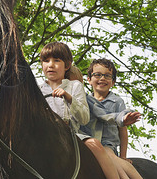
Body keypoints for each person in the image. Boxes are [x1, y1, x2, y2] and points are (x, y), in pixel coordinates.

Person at [39, 42, 121, 179]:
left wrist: (69, 98)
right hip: (46, 136)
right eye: (46, 61)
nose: (51, 65)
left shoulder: (74, 86)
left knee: (94, 144)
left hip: (72, 134)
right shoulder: (37, 89)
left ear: (67, 65)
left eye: (57, 60)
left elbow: (84, 118)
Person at [81, 58, 142, 179]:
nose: (102, 78)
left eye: (107, 76)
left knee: (113, 159)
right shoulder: (85, 101)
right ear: (89, 79)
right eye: (97, 74)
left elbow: (122, 130)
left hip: (108, 145)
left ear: (113, 82)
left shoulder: (117, 101)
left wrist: (123, 156)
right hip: (90, 142)